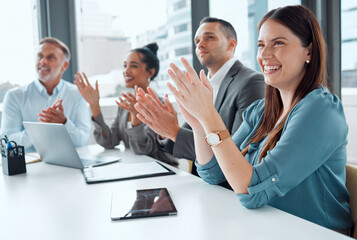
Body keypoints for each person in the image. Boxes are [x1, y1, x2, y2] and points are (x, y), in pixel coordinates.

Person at [163, 5, 353, 234]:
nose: (264, 54)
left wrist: (209, 115)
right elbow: (214, 173)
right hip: (263, 228)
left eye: (278, 43)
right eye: (261, 45)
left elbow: (251, 189)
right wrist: (197, 123)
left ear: (309, 52)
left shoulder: (321, 110)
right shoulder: (260, 111)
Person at [135, 17, 265, 175]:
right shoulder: (201, 86)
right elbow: (181, 138)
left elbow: (239, 151)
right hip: (202, 182)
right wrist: (166, 130)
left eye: (210, 37)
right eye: (197, 41)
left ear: (231, 44)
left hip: (228, 188)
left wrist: (174, 132)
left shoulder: (251, 82)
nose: (200, 45)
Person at [74, 43, 177, 166]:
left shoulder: (159, 106)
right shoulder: (127, 105)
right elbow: (109, 141)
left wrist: (135, 116)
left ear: (150, 72)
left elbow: (143, 150)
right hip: (136, 167)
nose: (126, 71)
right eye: (125, 66)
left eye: (133, 66)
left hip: (162, 170)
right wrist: (94, 105)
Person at [0, 37, 90, 151]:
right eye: (40, 56)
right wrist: (39, 129)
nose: (43, 61)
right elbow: (7, 142)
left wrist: (63, 123)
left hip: (67, 165)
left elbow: (83, 141)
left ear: (65, 66)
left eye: (50, 57)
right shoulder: (15, 96)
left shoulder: (77, 95)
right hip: (30, 166)